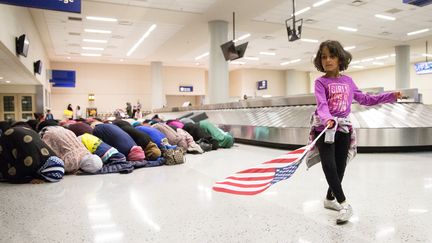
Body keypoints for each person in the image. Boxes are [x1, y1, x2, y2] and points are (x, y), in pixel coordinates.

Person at [311, 40, 401, 224]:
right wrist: (328, 118)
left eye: (332, 56)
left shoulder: (348, 81)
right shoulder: (320, 82)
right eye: (323, 56)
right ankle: (344, 204)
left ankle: (329, 199)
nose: (327, 60)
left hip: (343, 129)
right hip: (325, 127)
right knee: (329, 166)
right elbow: (322, 105)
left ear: (340, 58)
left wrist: (390, 96)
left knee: (340, 167)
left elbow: (366, 99)